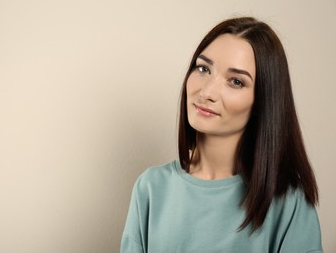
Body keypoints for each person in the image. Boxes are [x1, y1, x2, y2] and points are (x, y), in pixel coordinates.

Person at [120, 17, 323, 253]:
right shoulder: (151, 188)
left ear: (262, 101)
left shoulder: (288, 201)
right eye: (203, 68)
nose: (207, 92)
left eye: (236, 81)